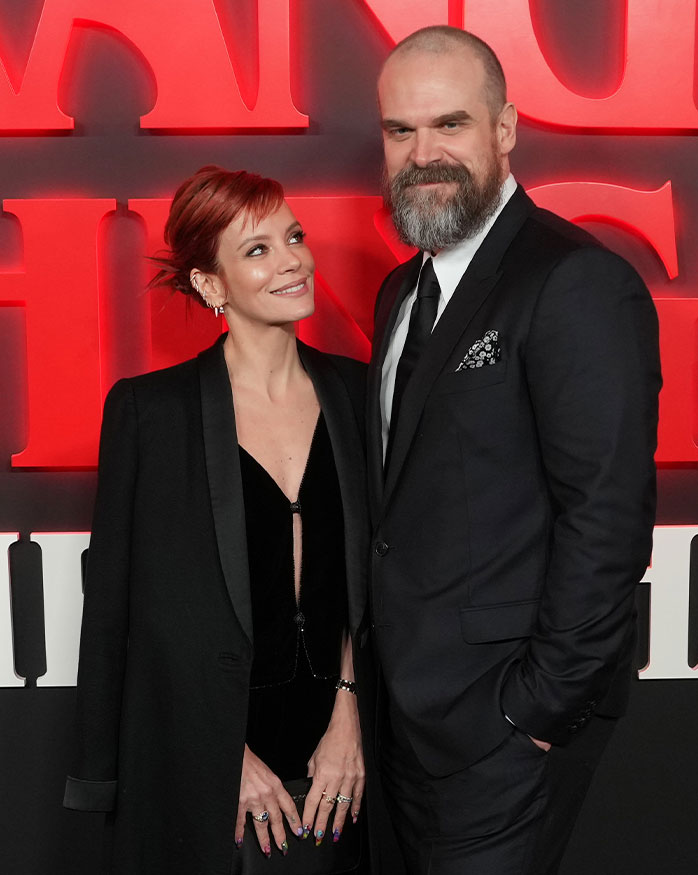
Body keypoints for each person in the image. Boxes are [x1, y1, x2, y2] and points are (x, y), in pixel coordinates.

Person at [368, 26, 661, 875]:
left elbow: (607, 516)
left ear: (504, 130)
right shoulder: (400, 291)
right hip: (404, 721)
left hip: (501, 727)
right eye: (400, 130)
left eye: (449, 124)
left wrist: (535, 709)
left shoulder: (574, 280)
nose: (423, 154)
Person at [63, 166, 373, 874]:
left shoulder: (358, 395)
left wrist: (350, 716)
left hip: (342, 752)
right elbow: (121, 610)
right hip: (204, 755)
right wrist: (218, 754)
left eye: (293, 236)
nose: (293, 260)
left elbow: (382, 575)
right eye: (258, 249)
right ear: (211, 284)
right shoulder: (150, 413)